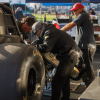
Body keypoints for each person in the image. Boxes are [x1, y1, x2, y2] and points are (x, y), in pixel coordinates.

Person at [32, 22, 83, 100]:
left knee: (57, 80)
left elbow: (46, 48)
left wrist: (34, 46)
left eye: (36, 33)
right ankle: (65, 98)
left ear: (39, 30)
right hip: (72, 54)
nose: (37, 35)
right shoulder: (50, 30)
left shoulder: (49, 32)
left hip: (69, 55)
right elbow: (47, 43)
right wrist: (38, 43)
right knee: (64, 79)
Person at [61, 3, 96, 87]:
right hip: (85, 46)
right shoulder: (86, 15)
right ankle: (87, 83)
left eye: (75, 10)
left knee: (88, 67)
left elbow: (70, 25)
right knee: (80, 65)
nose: (74, 12)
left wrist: (58, 32)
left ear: (81, 9)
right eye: (73, 11)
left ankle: (91, 87)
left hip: (86, 46)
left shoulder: (83, 15)